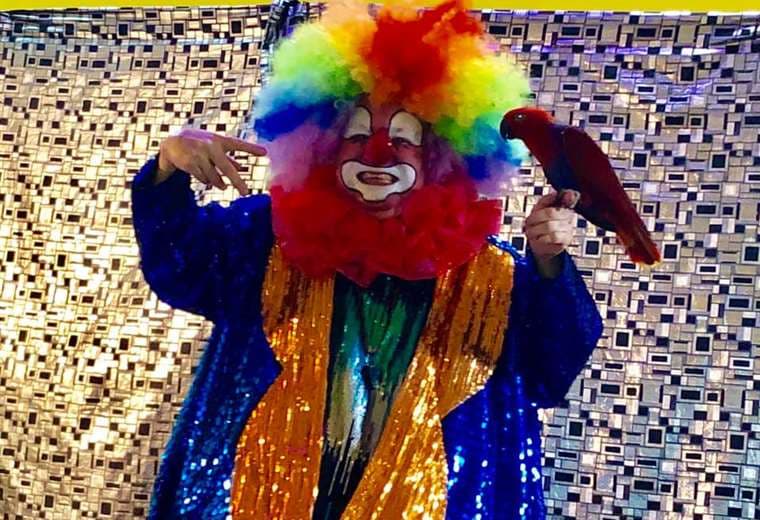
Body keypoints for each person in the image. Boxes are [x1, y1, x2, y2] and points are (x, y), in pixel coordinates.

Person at [130, 1, 603, 518]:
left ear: (443, 152)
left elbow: (549, 369)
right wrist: (168, 169)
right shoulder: (269, 237)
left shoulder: (491, 274)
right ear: (322, 144)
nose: (377, 153)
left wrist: (549, 262)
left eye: (404, 137)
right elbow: (180, 264)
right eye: (356, 133)